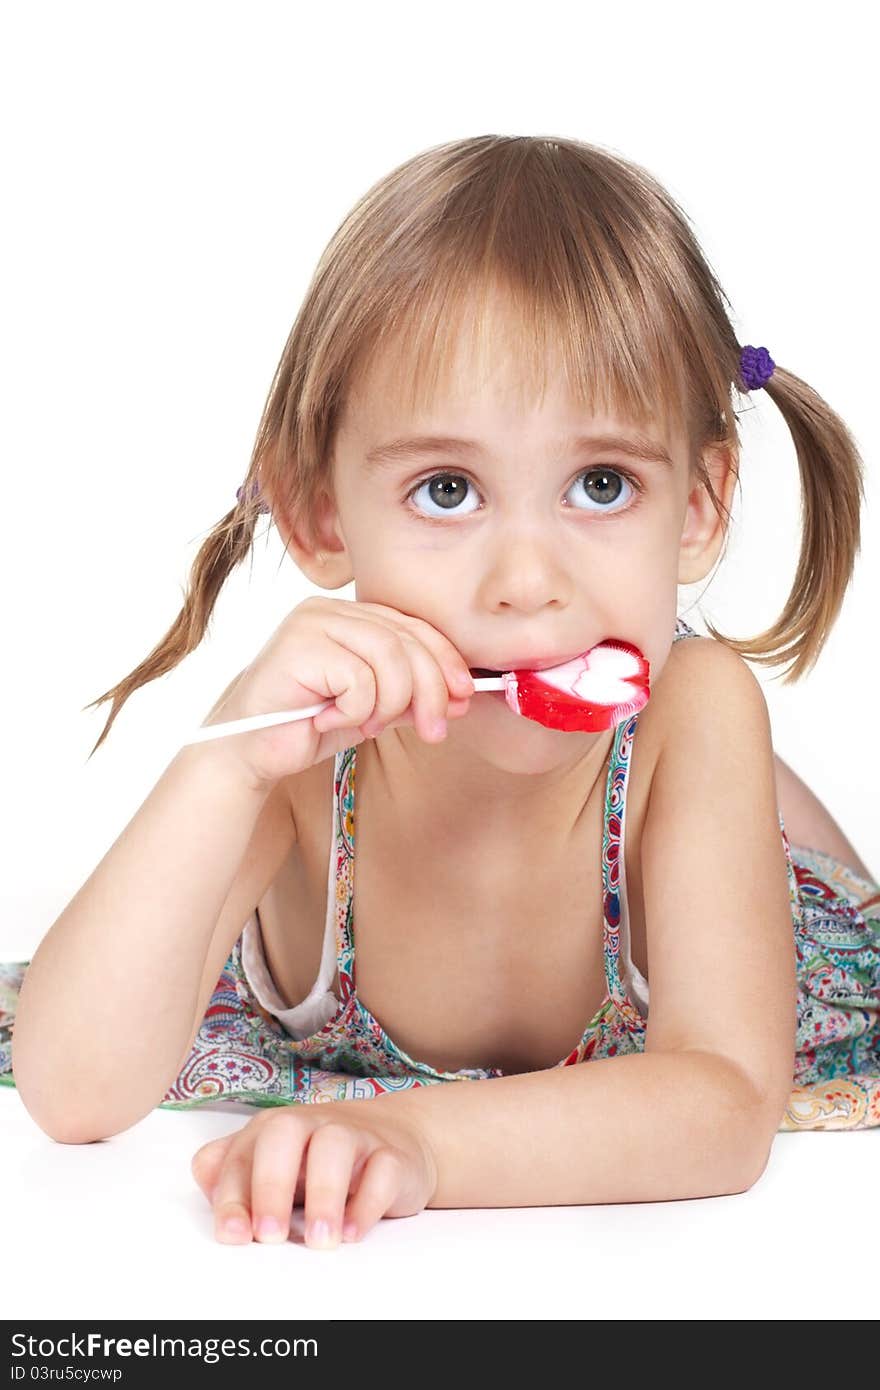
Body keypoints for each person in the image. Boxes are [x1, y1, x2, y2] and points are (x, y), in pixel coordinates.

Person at [4, 135, 879, 1253]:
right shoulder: (299, 751)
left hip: (756, 907)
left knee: (754, 792)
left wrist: (422, 1143)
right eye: (448, 489)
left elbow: (720, 1107)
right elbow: (72, 1096)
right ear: (320, 514)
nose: (526, 585)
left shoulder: (695, 708)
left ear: (701, 506)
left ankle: (782, 823)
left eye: (600, 484)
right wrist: (223, 760)